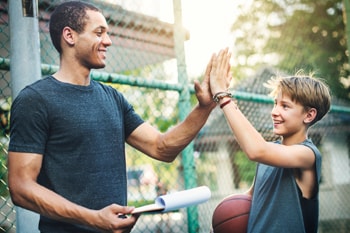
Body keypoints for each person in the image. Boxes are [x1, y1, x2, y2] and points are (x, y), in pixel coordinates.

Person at [7, 1, 217, 232]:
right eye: (99, 33)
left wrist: (204, 108)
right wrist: (93, 218)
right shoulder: (35, 100)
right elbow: (21, 187)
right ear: (70, 35)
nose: (108, 41)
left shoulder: (113, 99)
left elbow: (161, 148)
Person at [209, 49, 331, 233]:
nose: (274, 111)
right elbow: (251, 199)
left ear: (309, 114)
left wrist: (223, 96)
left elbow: (257, 150)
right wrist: (225, 223)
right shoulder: (269, 155)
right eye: (275, 103)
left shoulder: (307, 155)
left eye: (285, 106)